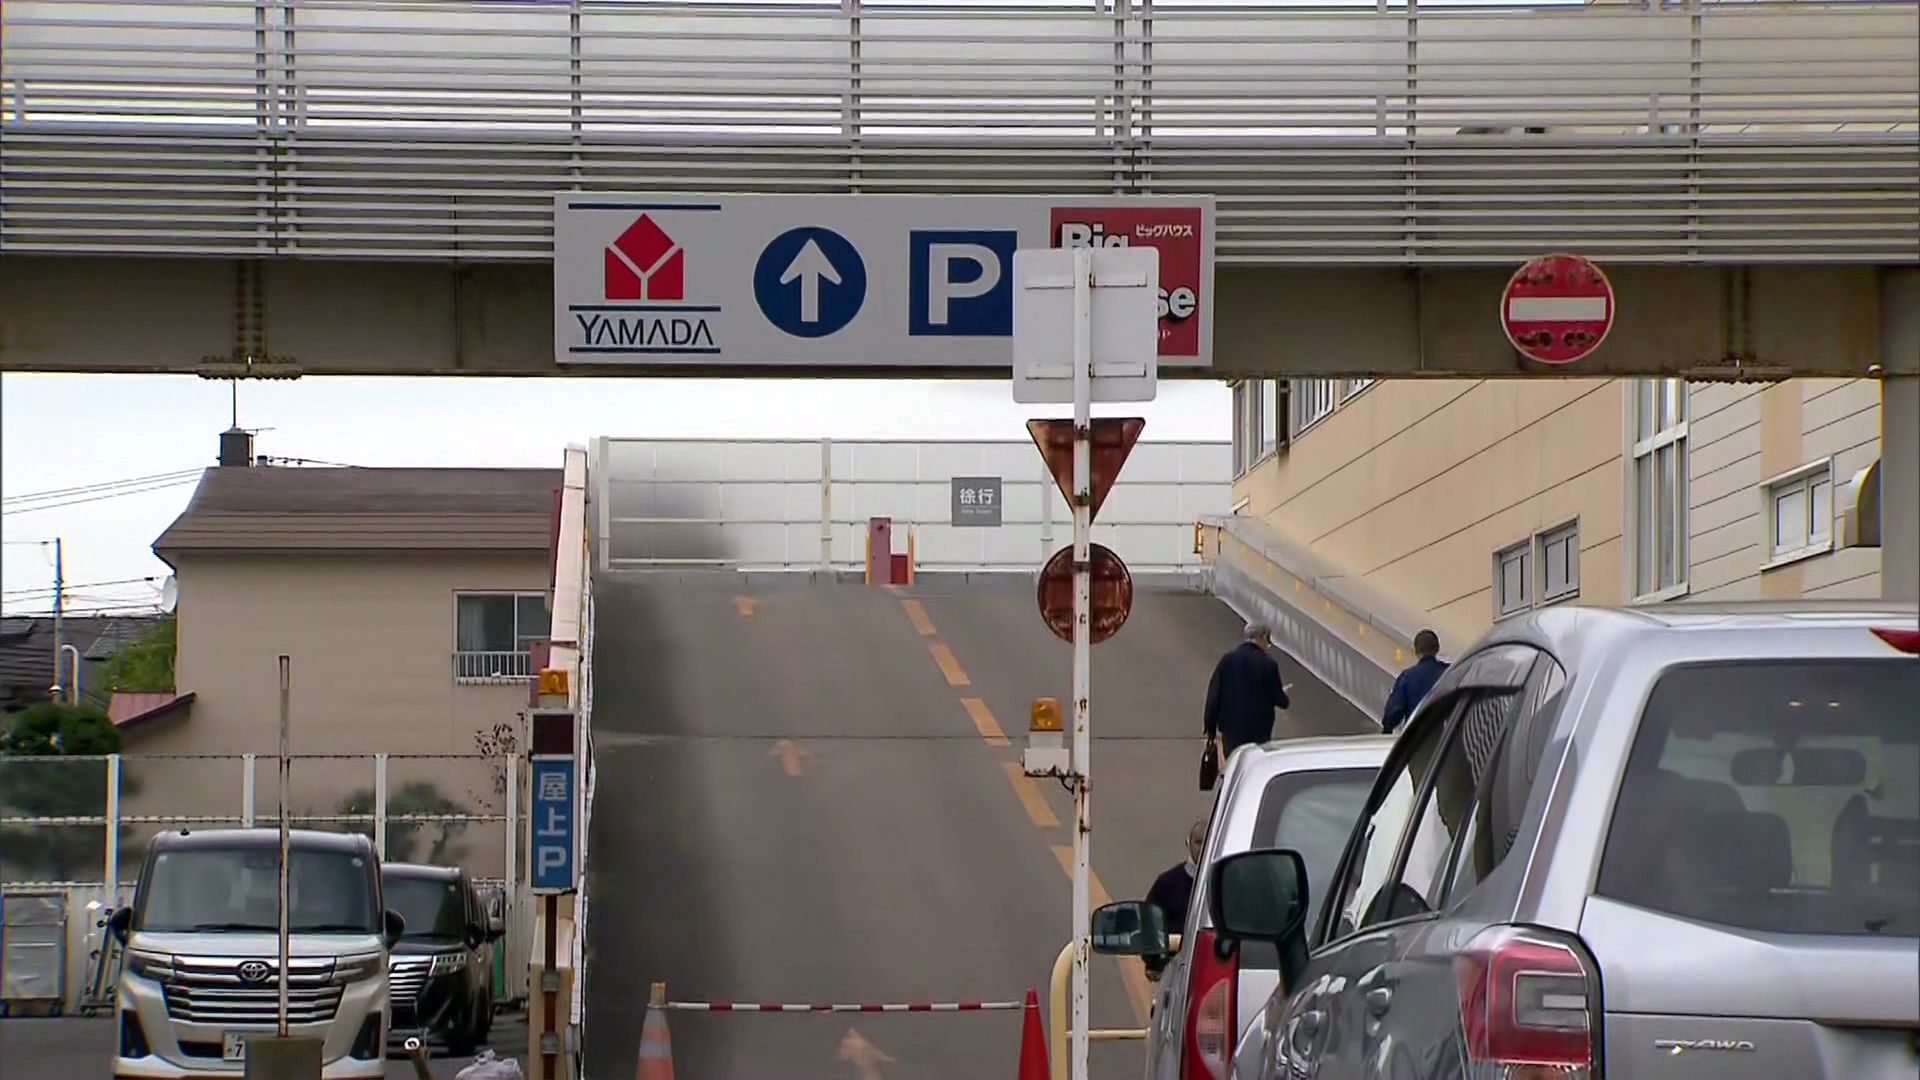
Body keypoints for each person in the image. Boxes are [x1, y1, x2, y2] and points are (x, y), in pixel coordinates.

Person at [1203, 621, 1289, 760]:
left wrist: (1210, 728)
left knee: (1234, 765)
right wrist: (1283, 695)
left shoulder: (1227, 660)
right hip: (1260, 732)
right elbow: (1280, 700)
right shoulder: (1268, 664)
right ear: (1263, 637)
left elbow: (1214, 696)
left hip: (1231, 730)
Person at [1143, 820, 1208, 979]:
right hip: (1173, 975)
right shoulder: (1167, 884)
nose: (1203, 848)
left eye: (1208, 841)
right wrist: (1154, 963)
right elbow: (1148, 923)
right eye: (1199, 842)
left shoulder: (1229, 882)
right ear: (1188, 843)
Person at [1382, 628, 1449, 734]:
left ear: (1416, 651)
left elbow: (1393, 713)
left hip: (1416, 739)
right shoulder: (1449, 673)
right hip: (1444, 739)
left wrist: (1387, 728)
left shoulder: (1407, 677)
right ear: (1437, 648)